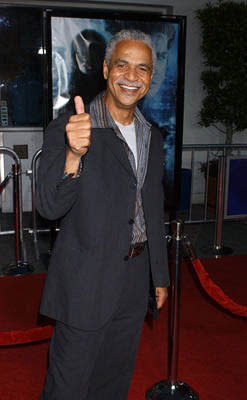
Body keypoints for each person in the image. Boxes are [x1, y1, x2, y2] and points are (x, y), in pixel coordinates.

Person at [37, 29, 169, 400]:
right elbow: (48, 207)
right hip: (86, 280)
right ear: (107, 68)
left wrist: (158, 274)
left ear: (150, 78)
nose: (132, 76)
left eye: (142, 68)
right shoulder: (71, 128)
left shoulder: (151, 136)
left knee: (113, 383)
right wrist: (73, 155)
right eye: (123, 65)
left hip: (134, 278)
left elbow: (152, 207)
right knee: (67, 387)